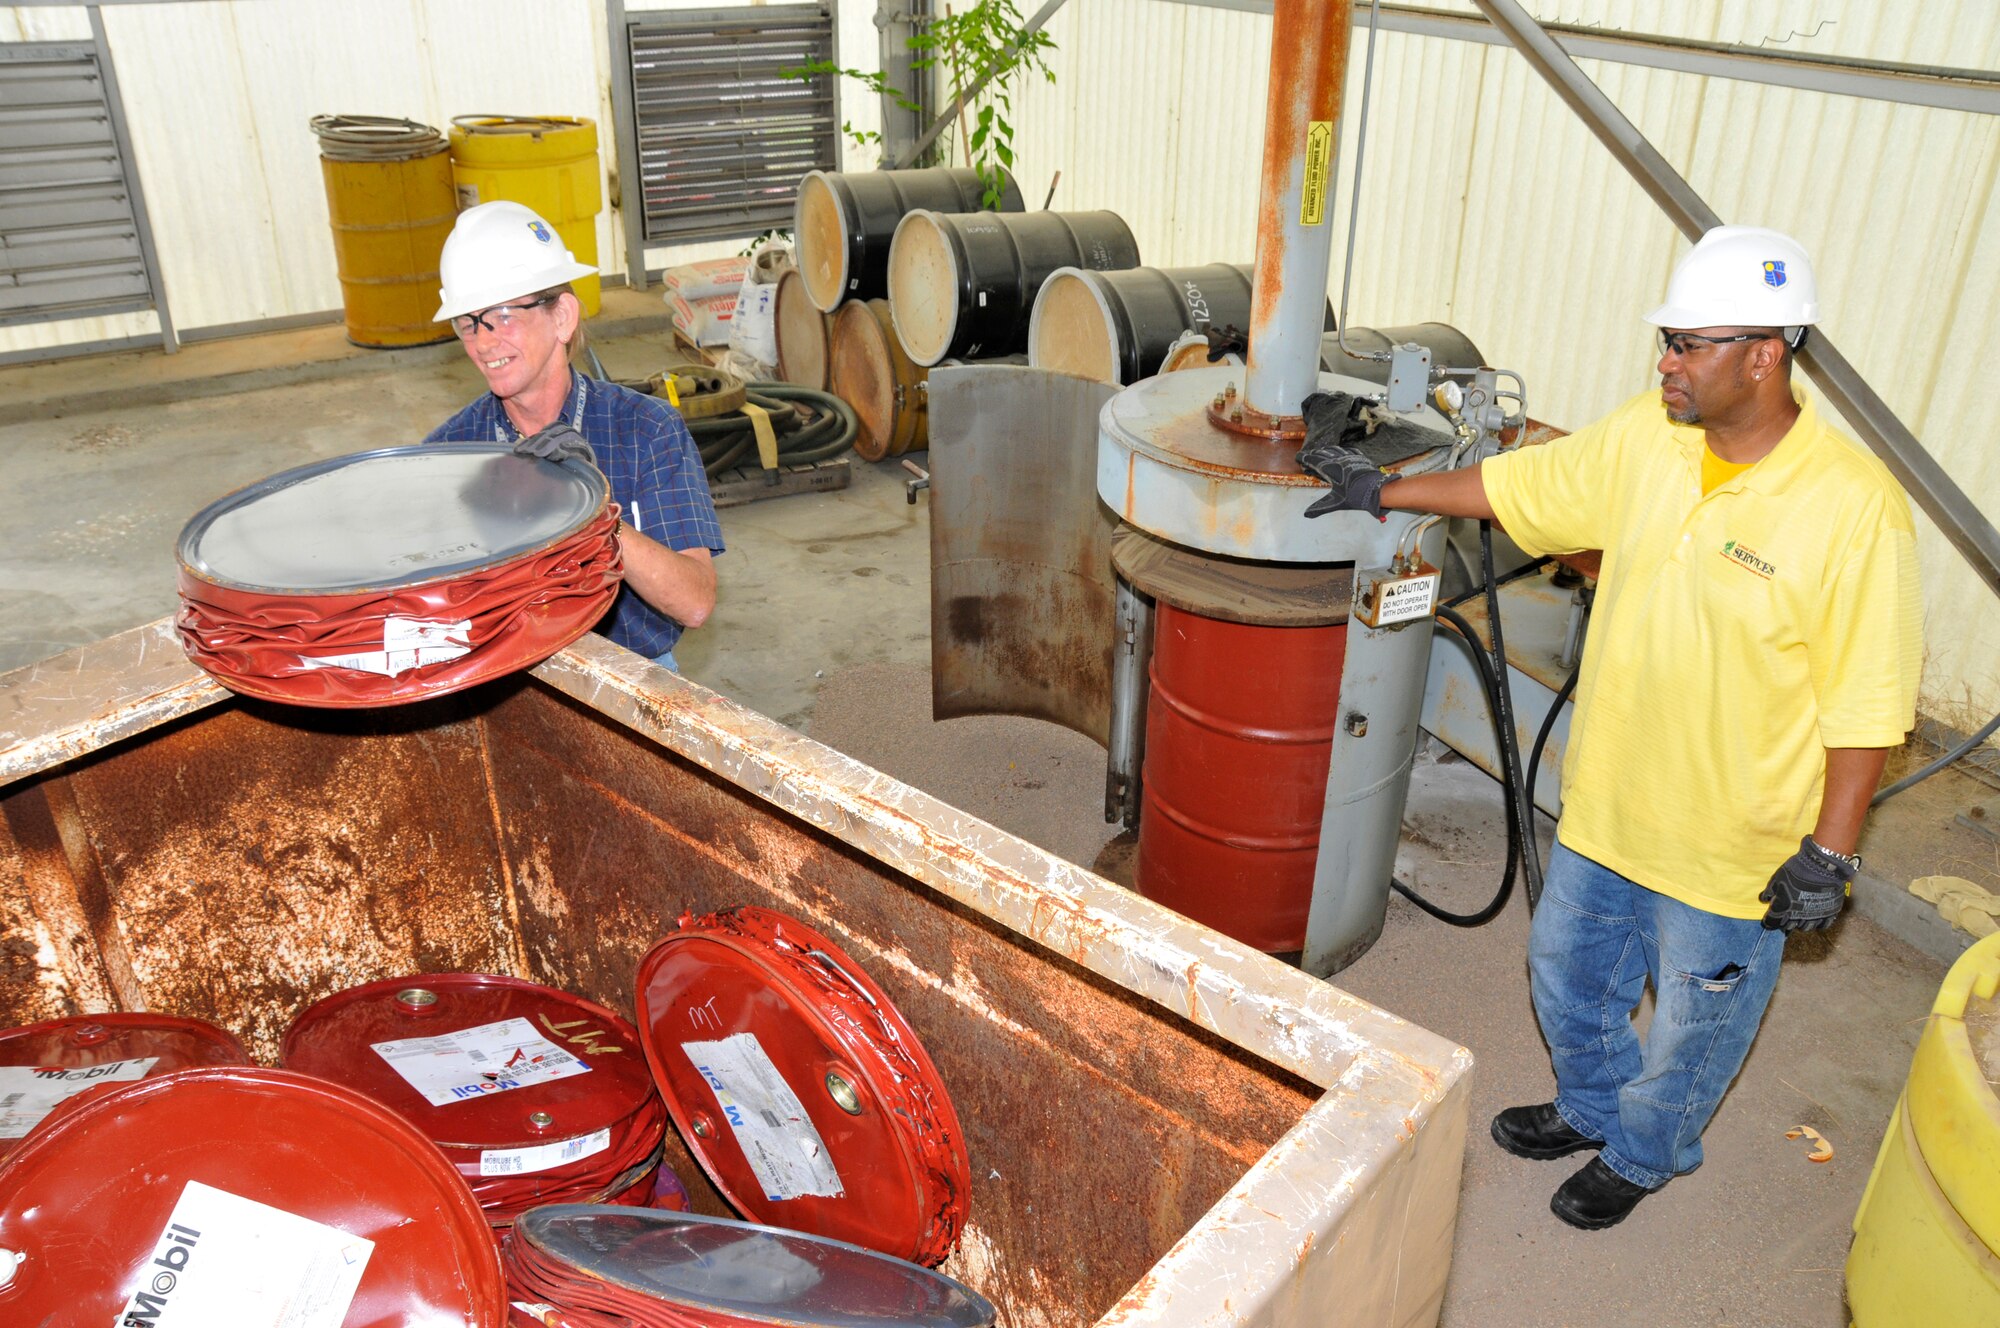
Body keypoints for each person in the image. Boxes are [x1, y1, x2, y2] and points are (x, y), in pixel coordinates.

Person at [1299, 225, 1922, 1230]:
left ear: (1763, 354)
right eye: (1666, 340)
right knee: (1564, 973)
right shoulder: (1647, 434)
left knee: (1692, 1024)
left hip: (1730, 849)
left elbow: (1868, 700)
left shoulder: (1853, 508)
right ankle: (1590, 1105)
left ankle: (1643, 1149)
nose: (1664, 361)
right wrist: (1383, 489)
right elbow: (1516, 490)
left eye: (1687, 344)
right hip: (1606, 804)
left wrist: (1830, 852)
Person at [426, 201, 721, 670]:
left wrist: (593, 517)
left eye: (503, 315)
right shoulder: (447, 454)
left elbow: (695, 601)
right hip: (501, 672)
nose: (482, 344)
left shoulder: (645, 428)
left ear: (562, 316)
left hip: (633, 667)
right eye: (469, 323)